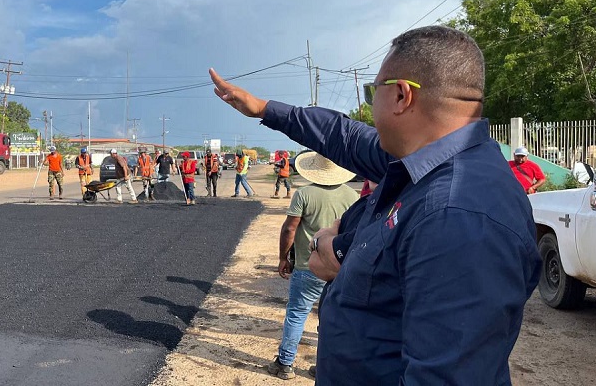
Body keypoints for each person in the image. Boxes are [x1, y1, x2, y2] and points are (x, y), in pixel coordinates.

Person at [210, 25, 541, 384]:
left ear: (401, 96)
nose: (369, 106)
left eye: (373, 92)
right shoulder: (425, 165)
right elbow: (344, 136)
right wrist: (264, 109)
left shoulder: (459, 216)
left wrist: (344, 264)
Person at [267, 151, 358, 380]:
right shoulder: (352, 196)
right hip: (338, 269)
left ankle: (284, 363)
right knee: (329, 319)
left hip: (308, 268)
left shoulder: (304, 194)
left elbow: (290, 228)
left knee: (297, 314)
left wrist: (283, 258)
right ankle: (324, 365)